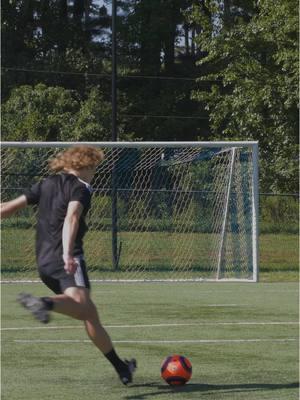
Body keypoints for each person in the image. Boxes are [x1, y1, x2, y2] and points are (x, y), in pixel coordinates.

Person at [0, 145, 136, 385]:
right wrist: (67, 254)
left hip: (44, 262)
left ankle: (122, 367)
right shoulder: (81, 188)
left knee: (90, 314)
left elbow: (6, 209)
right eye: (94, 169)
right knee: (84, 310)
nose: (94, 174)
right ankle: (43, 303)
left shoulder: (46, 184)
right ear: (86, 166)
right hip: (68, 258)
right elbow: (72, 216)